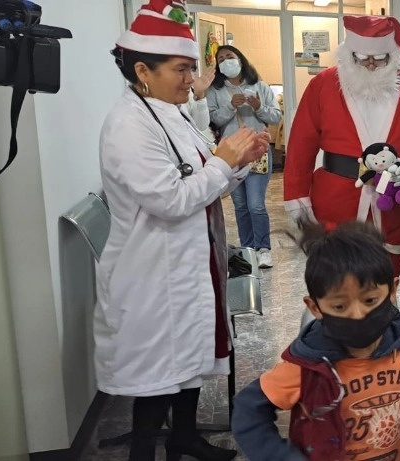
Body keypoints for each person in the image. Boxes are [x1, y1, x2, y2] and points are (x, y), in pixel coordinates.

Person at [98, 1, 268, 459]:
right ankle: (144, 453)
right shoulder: (129, 126)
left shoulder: (167, 111)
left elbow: (201, 179)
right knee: (159, 372)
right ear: (142, 69)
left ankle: (185, 436)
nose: (191, 80)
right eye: (181, 69)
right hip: (154, 269)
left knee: (188, 359)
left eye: (192, 68)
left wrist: (238, 163)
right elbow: (169, 200)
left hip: (189, 260)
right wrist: (224, 162)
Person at [231, 221, 400, 460]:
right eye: (340, 306)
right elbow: (248, 410)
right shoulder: (306, 367)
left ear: (393, 291)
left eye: (370, 300)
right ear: (315, 307)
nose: (357, 314)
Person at [283, 15, 400, 275]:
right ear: (349, 53)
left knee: (384, 280)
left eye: (379, 59)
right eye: (362, 57)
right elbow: (301, 144)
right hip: (336, 199)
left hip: (390, 200)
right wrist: (297, 198)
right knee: (336, 280)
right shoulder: (323, 85)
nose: (370, 64)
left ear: (393, 55)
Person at [207, 45, 282, 268]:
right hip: (230, 154)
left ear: (240, 59)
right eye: (221, 59)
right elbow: (213, 120)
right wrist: (230, 106)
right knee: (240, 205)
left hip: (257, 150)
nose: (226, 61)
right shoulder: (215, 90)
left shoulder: (260, 86)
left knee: (256, 204)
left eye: (230, 56)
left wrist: (259, 107)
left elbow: (276, 117)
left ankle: (263, 249)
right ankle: (248, 249)